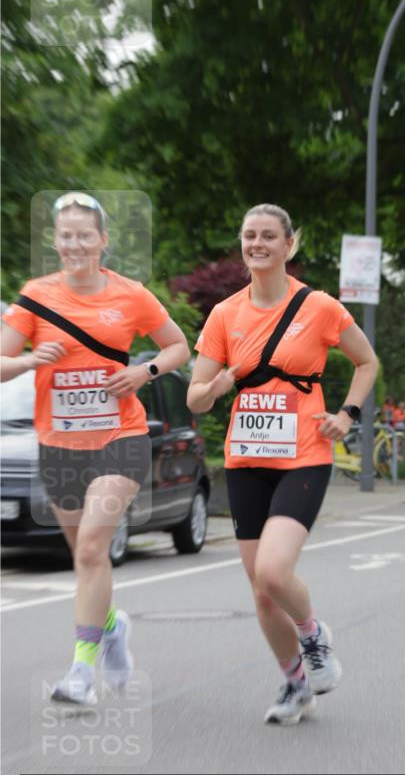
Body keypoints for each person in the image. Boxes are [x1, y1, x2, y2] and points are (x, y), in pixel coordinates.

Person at [187, 203, 378, 726]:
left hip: (304, 454)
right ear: (242, 243)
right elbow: (195, 400)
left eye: (269, 236)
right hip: (246, 457)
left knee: (274, 570)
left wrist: (347, 414)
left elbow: (367, 360)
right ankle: (295, 681)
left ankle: (313, 635)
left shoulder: (319, 307)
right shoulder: (225, 315)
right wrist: (218, 384)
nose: (258, 244)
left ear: (289, 245)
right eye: (250, 235)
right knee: (260, 588)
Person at [0, 192, 190, 704]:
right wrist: (31, 360)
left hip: (120, 439)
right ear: (55, 241)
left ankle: (81, 673)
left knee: (90, 548)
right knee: (86, 560)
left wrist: (142, 372)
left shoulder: (131, 295)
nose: (75, 244)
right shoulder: (35, 296)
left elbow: (178, 347)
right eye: (66, 235)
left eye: (85, 234)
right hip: (58, 445)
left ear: (103, 241)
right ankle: (112, 629)